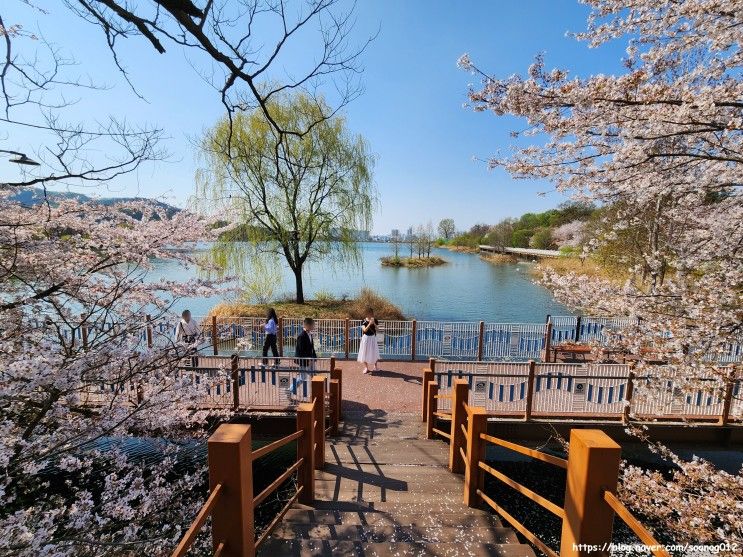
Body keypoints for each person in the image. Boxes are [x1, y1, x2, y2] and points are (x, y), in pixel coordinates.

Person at [290, 317, 317, 398]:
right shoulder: (301, 336)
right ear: (307, 325)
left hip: (310, 359)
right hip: (304, 361)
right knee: (302, 378)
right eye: (313, 325)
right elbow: (301, 350)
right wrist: (307, 359)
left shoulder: (310, 335)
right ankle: (290, 390)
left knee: (314, 376)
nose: (314, 326)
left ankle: (315, 394)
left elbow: (312, 348)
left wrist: (314, 358)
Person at [357, 308, 380, 374]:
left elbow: (378, 330)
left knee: (374, 352)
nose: (371, 314)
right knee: (364, 352)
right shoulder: (363, 321)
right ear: (367, 313)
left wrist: (374, 324)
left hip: (373, 338)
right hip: (366, 338)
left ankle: (375, 366)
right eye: (369, 313)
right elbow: (364, 330)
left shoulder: (375, 320)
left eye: (371, 313)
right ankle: (366, 367)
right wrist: (369, 324)